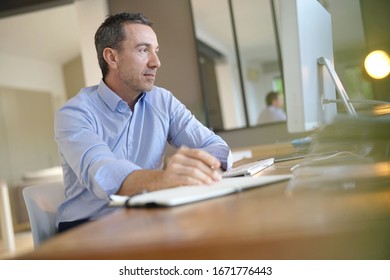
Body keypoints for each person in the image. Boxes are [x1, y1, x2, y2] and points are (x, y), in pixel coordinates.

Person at [54, 12, 233, 232]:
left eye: (155, 51)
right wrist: (166, 178)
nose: (156, 62)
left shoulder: (163, 100)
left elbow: (216, 147)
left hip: (148, 216)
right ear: (112, 57)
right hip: (89, 226)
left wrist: (201, 166)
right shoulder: (74, 113)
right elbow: (104, 174)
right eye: (143, 50)